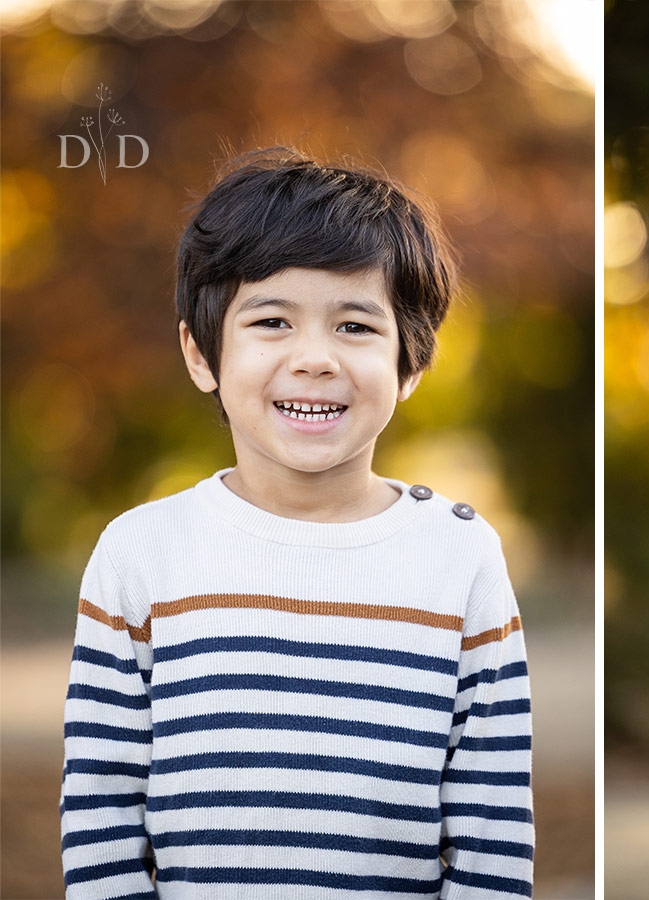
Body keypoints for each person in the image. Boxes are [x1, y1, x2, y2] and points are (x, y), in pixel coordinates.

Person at [59, 149, 534, 899]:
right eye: (272, 321)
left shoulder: (460, 556)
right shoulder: (140, 553)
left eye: (354, 325)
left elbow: (491, 834)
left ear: (411, 364)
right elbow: (100, 818)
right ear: (200, 352)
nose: (314, 359)